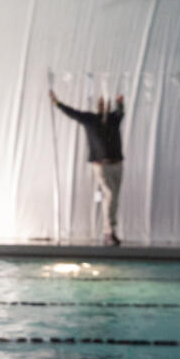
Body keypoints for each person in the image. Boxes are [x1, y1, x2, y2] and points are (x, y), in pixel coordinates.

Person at [49, 89, 124, 246]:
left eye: (106, 103)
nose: (104, 105)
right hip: (102, 165)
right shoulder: (90, 119)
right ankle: (109, 231)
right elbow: (73, 113)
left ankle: (110, 231)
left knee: (114, 198)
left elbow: (120, 112)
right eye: (101, 103)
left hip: (117, 163)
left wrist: (119, 102)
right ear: (98, 105)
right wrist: (58, 103)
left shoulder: (113, 119)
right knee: (110, 195)